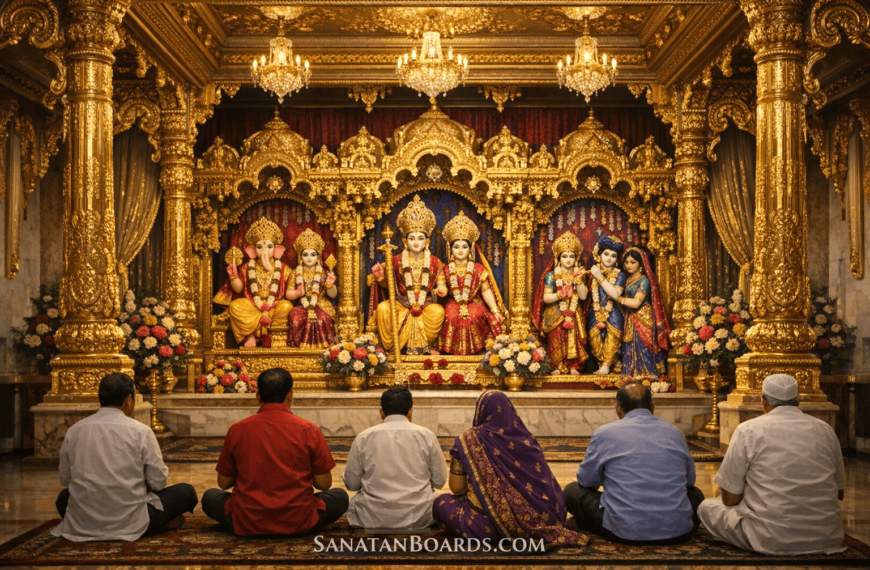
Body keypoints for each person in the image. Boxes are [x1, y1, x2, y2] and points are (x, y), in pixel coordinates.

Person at [698, 374, 846, 555]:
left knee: (706, 507)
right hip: (826, 536)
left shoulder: (748, 430)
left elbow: (729, 500)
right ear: (798, 401)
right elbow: (839, 493)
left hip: (770, 537)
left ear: (764, 402)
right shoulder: (826, 429)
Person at [202, 368, 348, 536]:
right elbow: (324, 484)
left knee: (210, 497)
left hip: (248, 520)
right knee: (340, 496)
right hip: (298, 519)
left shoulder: (237, 430)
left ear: (258, 396)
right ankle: (315, 524)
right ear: (290, 395)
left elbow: (223, 483)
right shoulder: (309, 430)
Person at [52, 373, 197, 542]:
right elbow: (158, 481)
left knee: (63, 498)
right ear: (129, 399)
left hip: (85, 518)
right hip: (131, 517)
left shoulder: (74, 430)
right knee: (187, 492)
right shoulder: (140, 431)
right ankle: (156, 524)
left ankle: (92, 524)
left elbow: (66, 480)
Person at [433, 391, 588, 547]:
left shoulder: (469, 440)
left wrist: (482, 487)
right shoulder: (528, 441)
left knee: (441, 502)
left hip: (485, 526)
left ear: (480, 412)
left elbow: (457, 488)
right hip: (542, 518)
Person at [563, 381, 703, 544]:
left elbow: (586, 481)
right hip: (677, 532)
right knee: (697, 494)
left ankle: (593, 522)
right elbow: (689, 482)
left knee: (571, 491)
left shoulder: (604, 434)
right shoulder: (676, 433)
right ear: (653, 406)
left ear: (618, 408)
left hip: (624, 531)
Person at [343, 386, 448, 530]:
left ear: (381, 413)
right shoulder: (426, 436)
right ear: (410, 412)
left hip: (371, 516)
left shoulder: (364, 437)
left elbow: (351, 484)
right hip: (419, 517)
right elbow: (440, 481)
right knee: (447, 501)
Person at [369, 195, 446, 355]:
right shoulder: (396, 260)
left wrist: (442, 289)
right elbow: (388, 285)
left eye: (420, 238)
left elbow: (441, 281)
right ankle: (396, 347)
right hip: (401, 302)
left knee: (438, 311)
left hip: (425, 303)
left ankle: (426, 346)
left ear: (427, 241)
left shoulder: (434, 261)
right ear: (405, 242)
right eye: (412, 238)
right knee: (383, 308)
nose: (416, 242)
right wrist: (381, 277)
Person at [213, 217, 294, 348]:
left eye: (269, 247)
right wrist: (233, 276)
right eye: (259, 247)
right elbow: (238, 289)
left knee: (287, 307)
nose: (264, 251)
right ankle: (251, 334)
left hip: (275, 308)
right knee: (235, 306)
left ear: (277, 250)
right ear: (251, 251)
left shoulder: (284, 269)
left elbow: (289, 292)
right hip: (252, 307)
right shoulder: (247, 267)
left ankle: (273, 336)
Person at [436, 211, 506, 355]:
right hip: (453, 301)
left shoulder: (478, 269)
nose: (460, 251)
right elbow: (441, 284)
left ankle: (477, 350)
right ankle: (450, 350)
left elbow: (486, 290)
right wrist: (441, 290)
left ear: (471, 248)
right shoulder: (447, 269)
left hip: (473, 301)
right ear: (450, 248)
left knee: (475, 315)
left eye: (464, 247)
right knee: (450, 315)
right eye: (456, 247)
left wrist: (495, 310)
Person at [532, 231, 588, 374]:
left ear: (576, 258)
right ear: (558, 258)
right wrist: (560, 294)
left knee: (573, 338)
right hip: (555, 313)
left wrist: (579, 280)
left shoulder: (579, 274)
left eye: (571, 256)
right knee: (556, 336)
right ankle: (557, 365)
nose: (568, 260)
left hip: (574, 313)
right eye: (564, 256)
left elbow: (583, 296)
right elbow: (546, 298)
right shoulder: (551, 275)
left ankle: (573, 365)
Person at [617, 247, 671, 379]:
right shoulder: (627, 279)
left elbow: (636, 303)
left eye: (633, 262)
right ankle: (631, 377)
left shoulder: (644, 280)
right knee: (630, 347)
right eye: (627, 262)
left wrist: (618, 298)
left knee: (644, 347)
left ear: (641, 264)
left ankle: (647, 377)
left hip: (643, 318)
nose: (629, 265)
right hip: (630, 318)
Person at [579, 235, 626, 375]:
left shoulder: (620, 275)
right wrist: (578, 281)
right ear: (598, 255)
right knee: (595, 343)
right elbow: (582, 296)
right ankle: (602, 363)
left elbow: (616, 295)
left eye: (613, 255)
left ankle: (607, 364)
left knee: (613, 338)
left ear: (617, 259)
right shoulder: (591, 272)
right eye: (606, 254)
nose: (609, 258)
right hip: (595, 312)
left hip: (614, 313)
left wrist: (600, 277)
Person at [286, 228, 338, 349]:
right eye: (305, 254)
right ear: (300, 256)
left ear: (318, 257)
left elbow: (333, 295)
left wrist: (330, 285)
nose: (309, 258)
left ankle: (325, 347)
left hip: (320, 304)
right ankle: (300, 347)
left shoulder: (323, 272)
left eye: (313, 254)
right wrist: (297, 293)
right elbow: (288, 293)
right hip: (301, 305)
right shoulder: (295, 272)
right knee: (295, 317)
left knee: (323, 318)